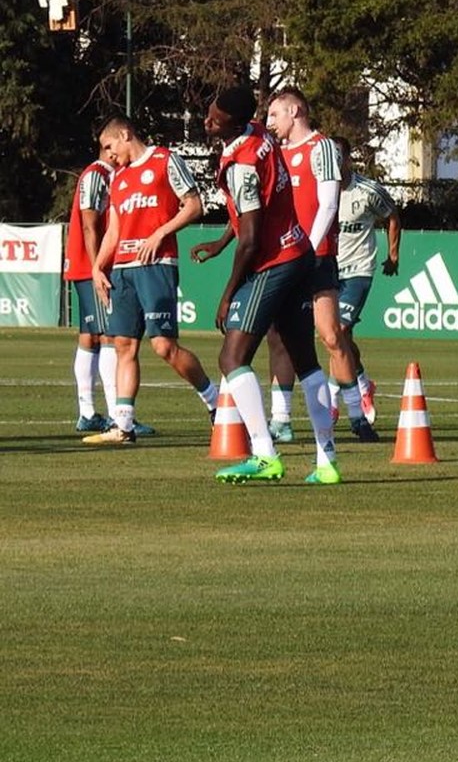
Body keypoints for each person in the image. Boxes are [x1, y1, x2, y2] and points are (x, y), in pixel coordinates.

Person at [203, 86, 340, 485]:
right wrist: (219, 241)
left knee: (231, 358)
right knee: (306, 360)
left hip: (274, 261)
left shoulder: (243, 162)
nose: (209, 118)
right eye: (211, 110)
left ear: (234, 121)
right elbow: (252, 213)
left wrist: (228, 294)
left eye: (216, 115)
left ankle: (265, 454)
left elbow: (251, 236)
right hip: (299, 251)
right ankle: (327, 462)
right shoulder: (260, 134)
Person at [82, 116, 220, 446]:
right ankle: (123, 426)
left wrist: (161, 232)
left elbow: (194, 205)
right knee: (123, 346)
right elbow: (114, 228)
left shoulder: (164, 160)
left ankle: (217, 404)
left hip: (156, 265)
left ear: (125, 134)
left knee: (163, 346)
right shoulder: (118, 178)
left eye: (109, 146)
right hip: (123, 270)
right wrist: (98, 267)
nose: (108, 154)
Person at [331, 136, 401, 432]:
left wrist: (393, 254)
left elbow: (393, 216)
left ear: (348, 159)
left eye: (338, 157)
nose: (333, 163)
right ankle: (362, 384)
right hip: (327, 271)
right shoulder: (321, 191)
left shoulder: (369, 191)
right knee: (340, 339)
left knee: (339, 332)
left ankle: (334, 399)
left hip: (359, 271)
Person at [63, 136, 120, 433]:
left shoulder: (106, 175)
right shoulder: (96, 176)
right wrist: (97, 265)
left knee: (89, 337)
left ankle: (88, 412)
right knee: (108, 335)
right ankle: (116, 416)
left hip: (87, 266)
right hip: (90, 267)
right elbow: (89, 224)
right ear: (109, 148)